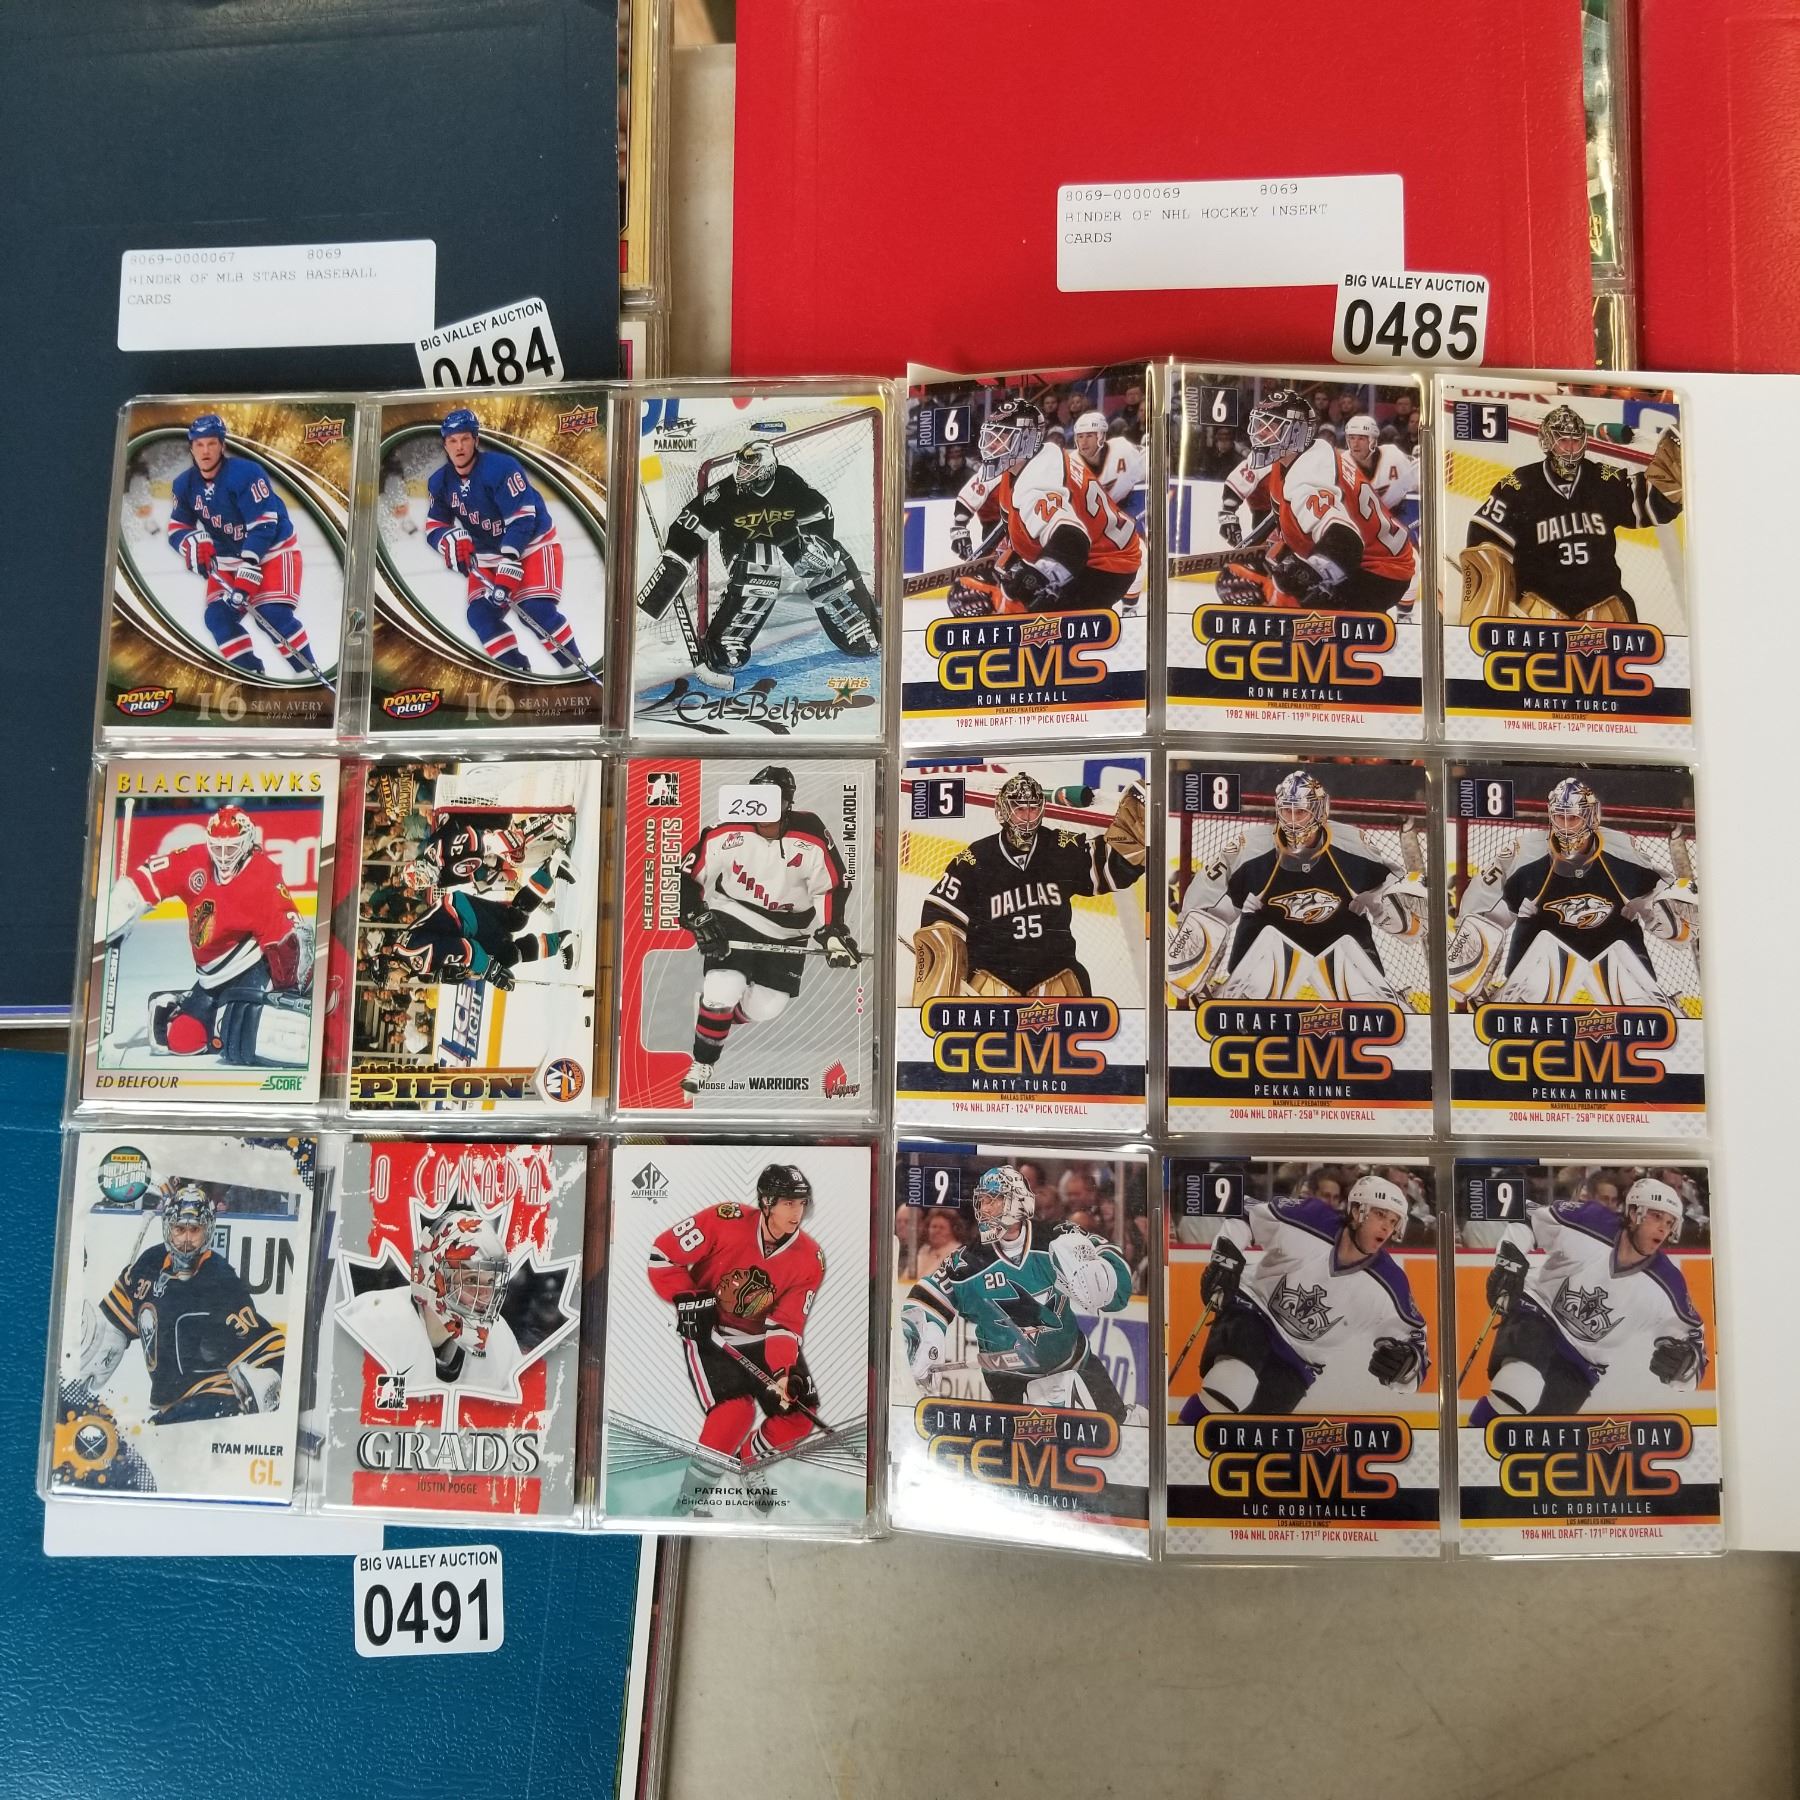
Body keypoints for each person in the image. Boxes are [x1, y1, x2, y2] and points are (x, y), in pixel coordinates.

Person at [1180, 1174, 1427, 1419]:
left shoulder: (1391, 1282)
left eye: (1393, 1221)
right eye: (1380, 1215)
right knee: (1231, 1384)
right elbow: (1246, 1212)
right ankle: (1184, 1438)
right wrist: (1224, 1256)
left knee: (1256, 1431)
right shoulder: (1311, 1218)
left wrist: (1408, 1364)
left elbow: (1416, 1342)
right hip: (1254, 1314)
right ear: (1356, 1211)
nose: (1386, 1227)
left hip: (1299, 1362)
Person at [901, 1166, 1134, 1419]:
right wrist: (923, 1336)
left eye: (993, 1200)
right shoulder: (968, 1263)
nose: (984, 1208)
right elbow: (927, 1297)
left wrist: (1106, 1278)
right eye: (982, 1201)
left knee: (1119, 1429)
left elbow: (1110, 1258)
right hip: (1008, 1381)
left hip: (1075, 1363)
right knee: (1023, 1444)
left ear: (1018, 1201)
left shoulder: (1058, 1238)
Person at [75, 1183, 284, 1422]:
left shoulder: (220, 1280)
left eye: (195, 1229)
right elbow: (120, 1314)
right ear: (168, 1228)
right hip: (173, 1403)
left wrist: (270, 1374)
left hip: (213, 1395)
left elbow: (264, 1345)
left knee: (148, 1436)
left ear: (208, 1230)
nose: (186, 1239)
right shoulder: (150, 1262)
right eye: (179, 1229)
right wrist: (108, 1336)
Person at [165, 413, 329, 685]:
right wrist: (190, 542)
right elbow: (177, 527)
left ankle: (309, 677)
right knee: (218, 617)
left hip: (273, 551)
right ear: (191, 448)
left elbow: (264, 524)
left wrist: (249, 566)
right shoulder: (184, 484)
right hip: (228, 559)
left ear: (222, 445)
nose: (205, 451)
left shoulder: (246, 474)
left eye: (211, 443)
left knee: (272, 615)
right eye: (199, 445)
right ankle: (252, 676)